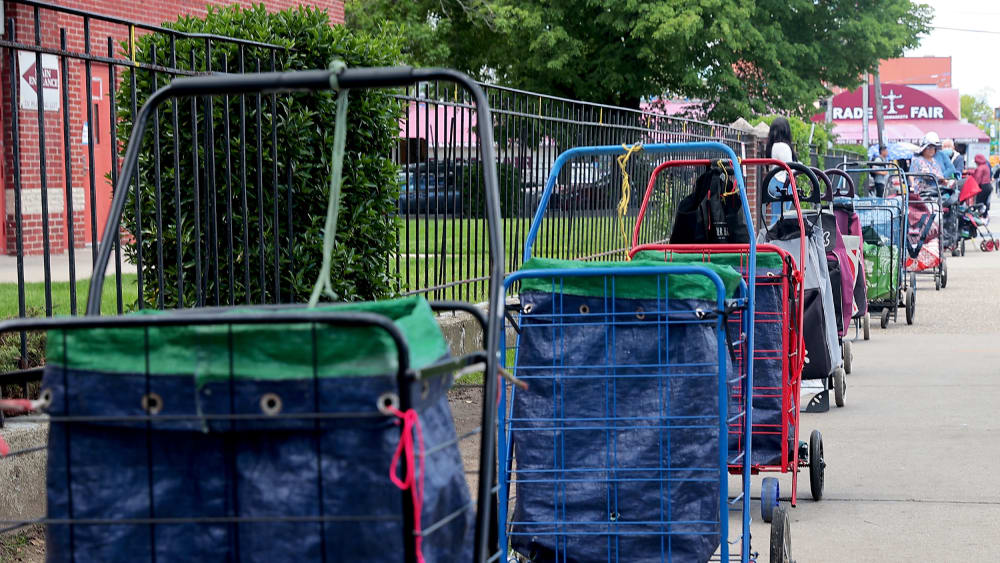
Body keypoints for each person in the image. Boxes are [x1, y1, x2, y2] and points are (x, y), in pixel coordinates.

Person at [765, 117, 796, 220]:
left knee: (776, 215)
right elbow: (791, 167)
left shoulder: (772, 146)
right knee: (780, 216)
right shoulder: (783, 146)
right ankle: (775, 236)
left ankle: (773, 235)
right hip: (783, 183)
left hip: (774, 181)